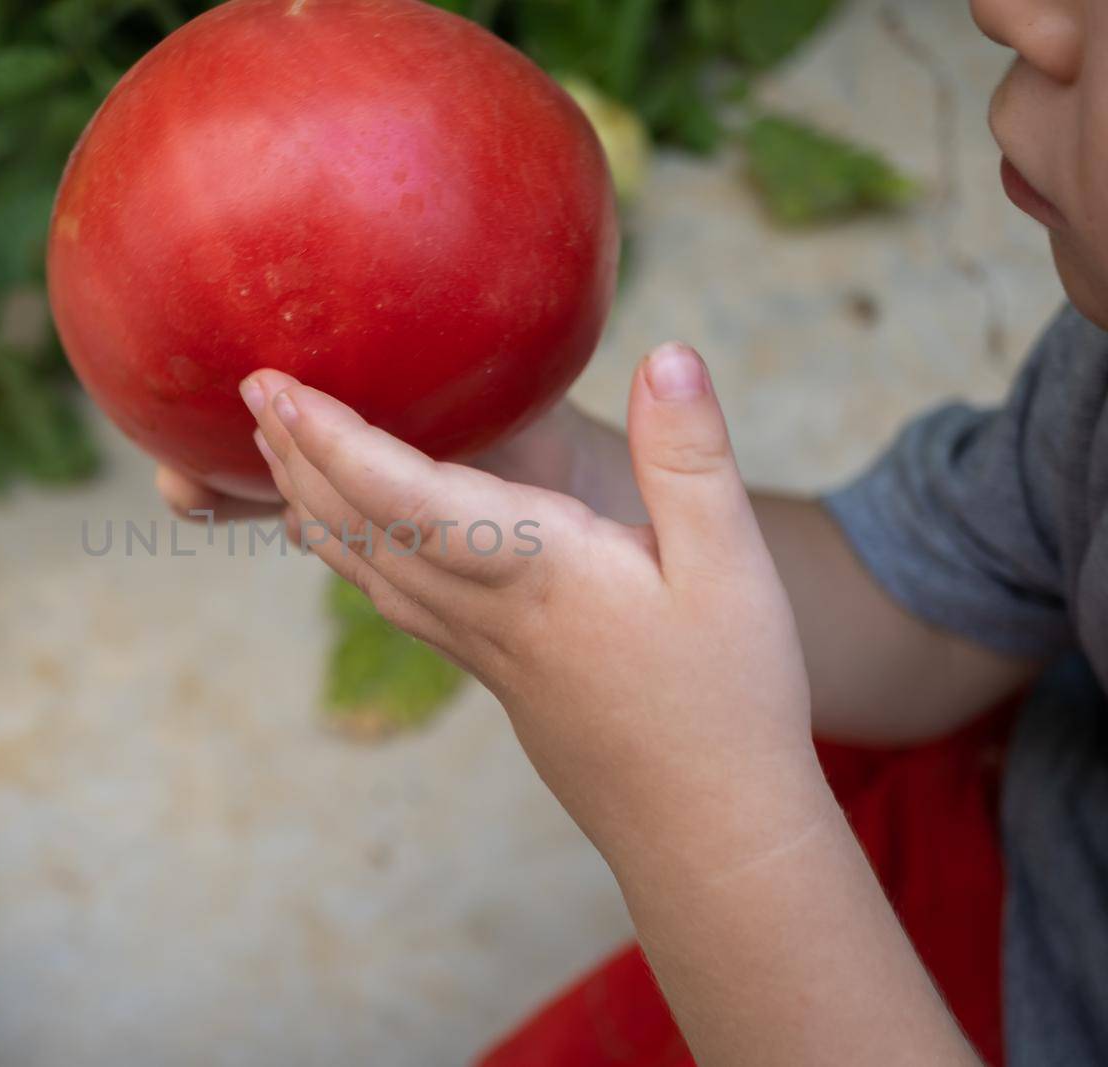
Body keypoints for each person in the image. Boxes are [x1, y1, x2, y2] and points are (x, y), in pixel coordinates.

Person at [157, 0, 1106, 1061]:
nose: (1013, 12)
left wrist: (705, 818)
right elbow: (957, 598)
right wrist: (561, 477)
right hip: (1004, 858)